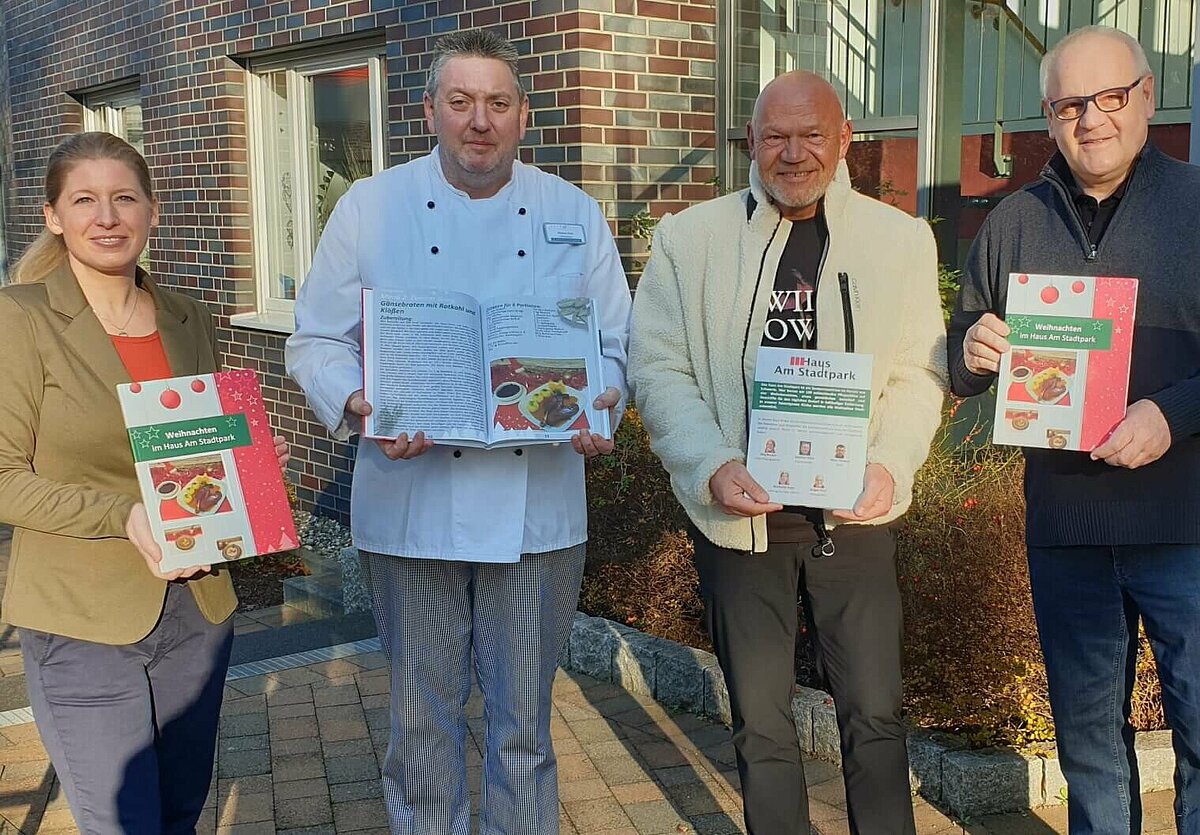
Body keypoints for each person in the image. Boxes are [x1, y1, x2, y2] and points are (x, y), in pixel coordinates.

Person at [285, 30, 632, 834]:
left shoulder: (572, 212)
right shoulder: (370, 207)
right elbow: (315, 340)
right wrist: (360, 402)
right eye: (462, 102)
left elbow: (614, 343)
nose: (481, 121)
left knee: (524, 729)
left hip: (538, 511)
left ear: (523, 117)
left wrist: (600, 404)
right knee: (419, 725)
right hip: (411, 507)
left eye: (498, 104)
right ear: (430, 111)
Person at [628, 71, 946, 835]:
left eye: (811, 134)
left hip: (857, 517)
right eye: (775, 135)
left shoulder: (899, 240)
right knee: (761, 724)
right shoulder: (688, 240)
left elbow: (918, 369)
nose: (793, 152)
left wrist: (890, 467)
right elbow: (658, 367)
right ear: (751, 142)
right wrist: (709, 462)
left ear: (844, 140)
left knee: (874, 713)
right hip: (742, 521)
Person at [949, 25, 1200, 834]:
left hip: (1185, 527)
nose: (1091, 118)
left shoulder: (1197, 207)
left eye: (1110, 97)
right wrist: (973, 350)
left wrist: (1173, 413)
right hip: (1066, 531)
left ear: (1148, 95)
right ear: (1048, 116)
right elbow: (958, 363)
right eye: (1069, 104)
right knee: (1089, 743)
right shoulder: (1013, 222)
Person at [0, 132, 288, 832]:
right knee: (126, 821)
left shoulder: (187, 316)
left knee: (181, 811)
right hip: (83, 617)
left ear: (152, 212)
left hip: (198, 609)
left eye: (124, 197)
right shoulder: (20, 317)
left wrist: (247, 463)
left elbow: (202, 454)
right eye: (86, 200)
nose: (107, 216)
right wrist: (125, 513)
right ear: (53, 216)